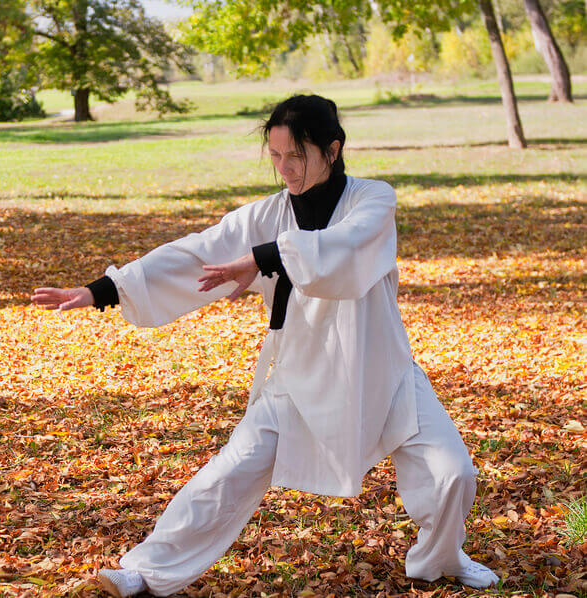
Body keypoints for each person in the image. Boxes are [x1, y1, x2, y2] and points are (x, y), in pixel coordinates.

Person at [31, 94, 500, 597]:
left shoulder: (373, 200)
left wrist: (263, 258)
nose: (284, 168)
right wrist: (103, 290)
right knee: (229, 473)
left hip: (384, 372)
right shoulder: (267, 216)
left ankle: (440, 558)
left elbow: (344, 247)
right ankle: (144, 570)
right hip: (300, 378)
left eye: (295, 156)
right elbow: (195, 252)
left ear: (333, 149)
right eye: (275, 156)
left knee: (453, 473)